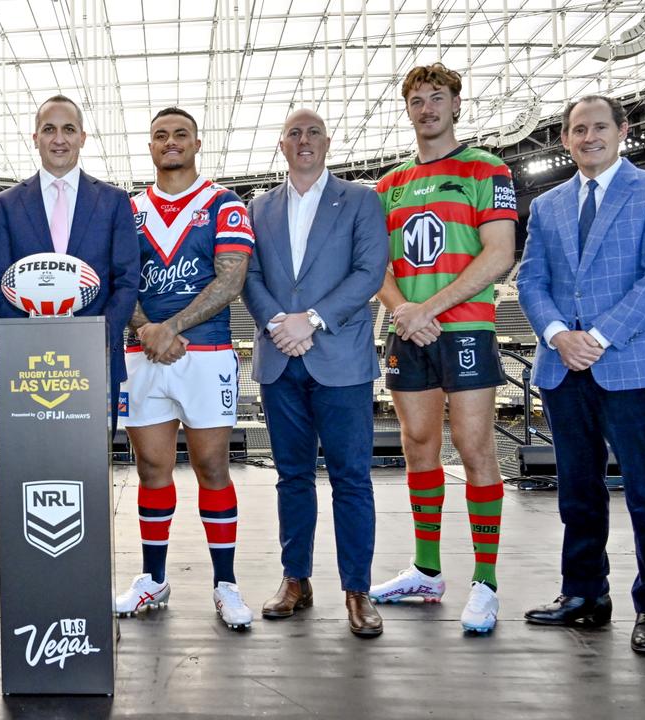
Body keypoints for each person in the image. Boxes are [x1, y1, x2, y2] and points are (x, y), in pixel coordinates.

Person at [517, 95, 645, 655]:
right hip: (562, 364)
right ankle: (585, 595)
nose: (587, 137)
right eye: (576, 130)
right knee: (578, 491)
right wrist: (557, 334)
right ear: (565, 140)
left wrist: (598, 336)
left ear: (622, 131)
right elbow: (531, 281)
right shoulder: (547, 205)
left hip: (632, 364)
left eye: (597, 127)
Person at [370, 63, 517, 634]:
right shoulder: (388, 185)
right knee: (418, 446)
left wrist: (428, 308)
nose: (426, 107)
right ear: (407, 110)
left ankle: (485, 582)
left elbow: (499, 252)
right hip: (407, 330)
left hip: (463, 331)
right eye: (416, 100)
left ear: (457, 105)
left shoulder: (487, 168)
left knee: (475, 448)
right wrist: (405, 309)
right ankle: (427, 572)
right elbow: (373, 264)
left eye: (437, 98)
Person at [241, 109, 389, 637]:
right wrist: (279, 322)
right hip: (280, 356)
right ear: (282, 144)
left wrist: (314, 320)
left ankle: (357, 589)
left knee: (351, 479)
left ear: (328, 142)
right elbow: (247, 274)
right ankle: (295, 580)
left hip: (341, 360)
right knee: (292, 478)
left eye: (313, 133)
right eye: (294, 133)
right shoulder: (257, 208)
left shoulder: (361, 200)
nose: (304, 141)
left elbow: (370, 271)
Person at [113, 107, 256, 630]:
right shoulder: (127, 210)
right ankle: (154, 580)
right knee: (151, 468)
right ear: (149, 147)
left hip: (207, 353)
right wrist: (146, 328)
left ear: (197, 142)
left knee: (212, 469)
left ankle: (225, 583)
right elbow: (117, 280)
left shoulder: (225, 204)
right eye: (159, 136)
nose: (169, 142)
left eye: (179, 134)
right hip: (142, 353)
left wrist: (168, 328)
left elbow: (230, 280)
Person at [0, 94, 139, 427]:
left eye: (68, 129)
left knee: (93, 466)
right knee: (35, 461)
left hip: (96, 357)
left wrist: (97, 337)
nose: (59, 139)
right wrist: (32, 338)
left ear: (82, 137)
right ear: (35, 137)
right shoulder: (7, 204)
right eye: (48, 129)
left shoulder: (114, 201)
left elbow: (126, 280)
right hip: (29, 364)